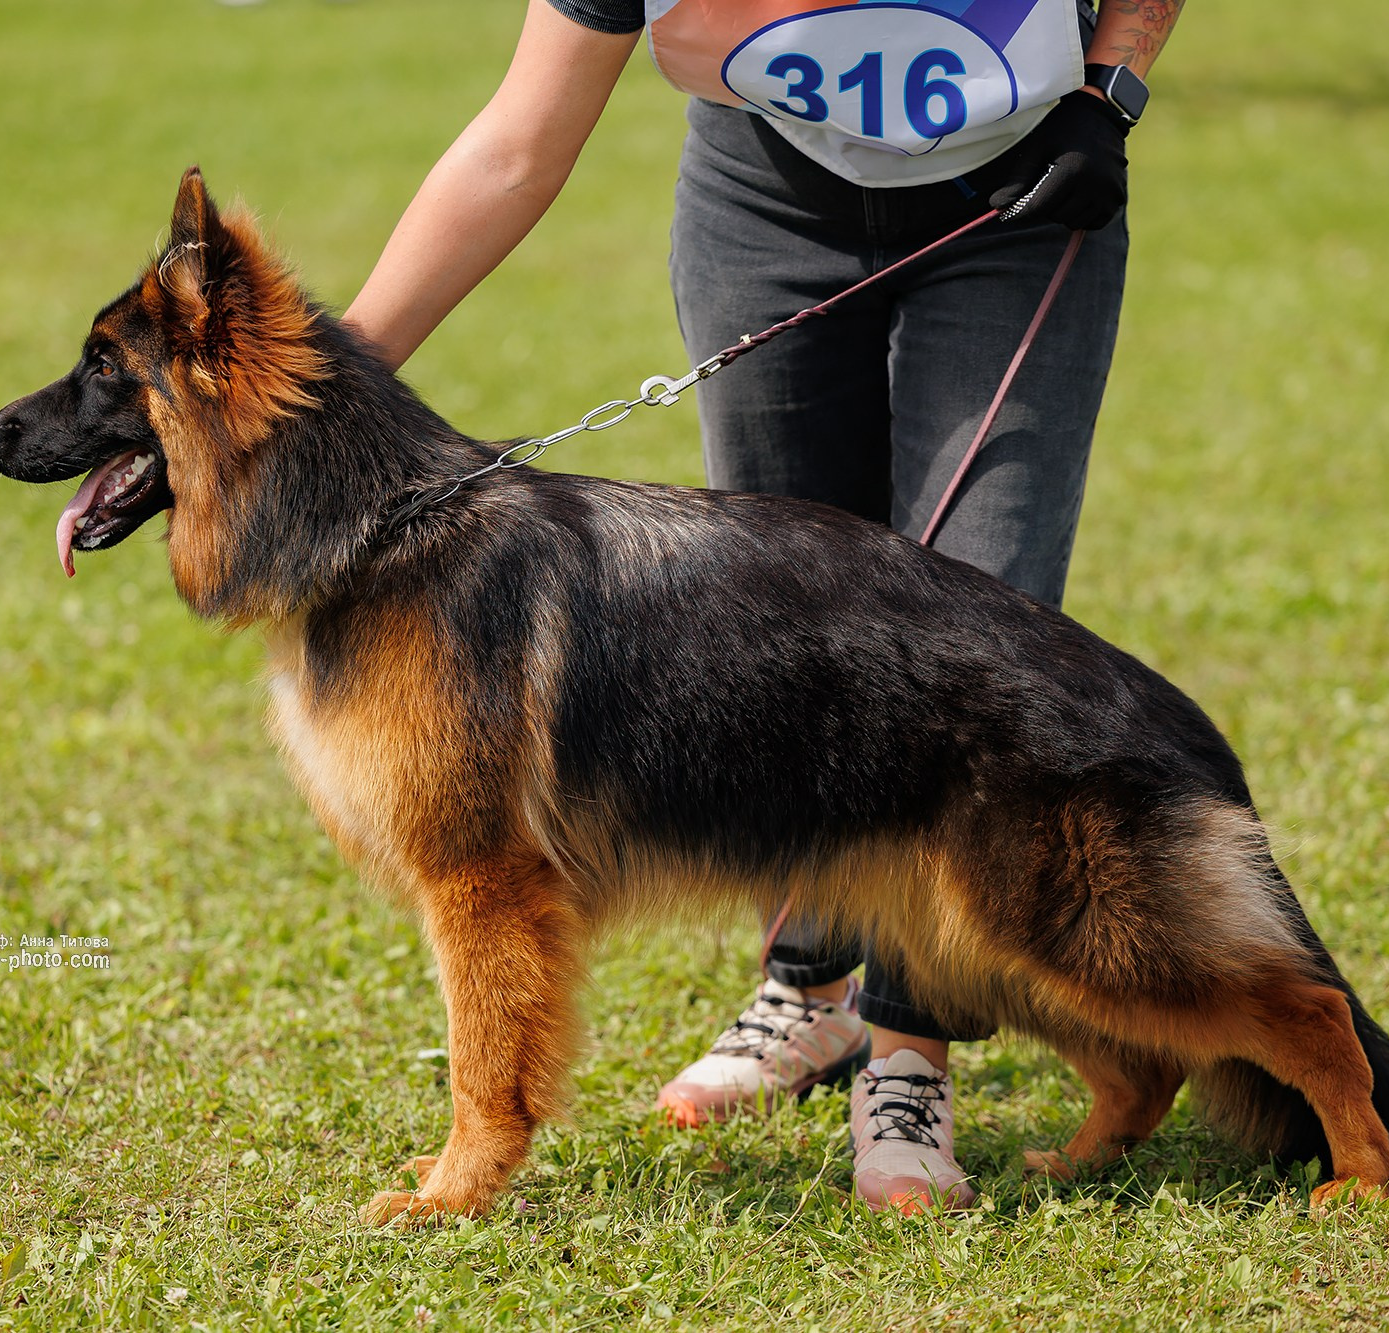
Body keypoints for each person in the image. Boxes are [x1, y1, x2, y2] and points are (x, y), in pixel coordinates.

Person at [344, 0, 1184, 1214]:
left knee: (974, 625)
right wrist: (321, 388)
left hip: (1017, 190)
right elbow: (513, 144)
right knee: (777, 640)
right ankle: (808, 992)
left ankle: (908, 1056)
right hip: (765, 199)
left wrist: (1110, 88)